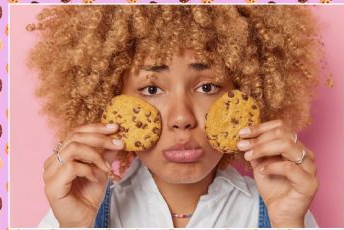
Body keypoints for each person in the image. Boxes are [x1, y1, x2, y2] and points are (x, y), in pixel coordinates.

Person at [29, 4, 322, 228]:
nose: (182, 118)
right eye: (152, 89)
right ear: (109, 100)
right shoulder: (72, 210)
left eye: (207, 87)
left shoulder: (282, 209)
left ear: (246, 94)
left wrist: (287, 224)